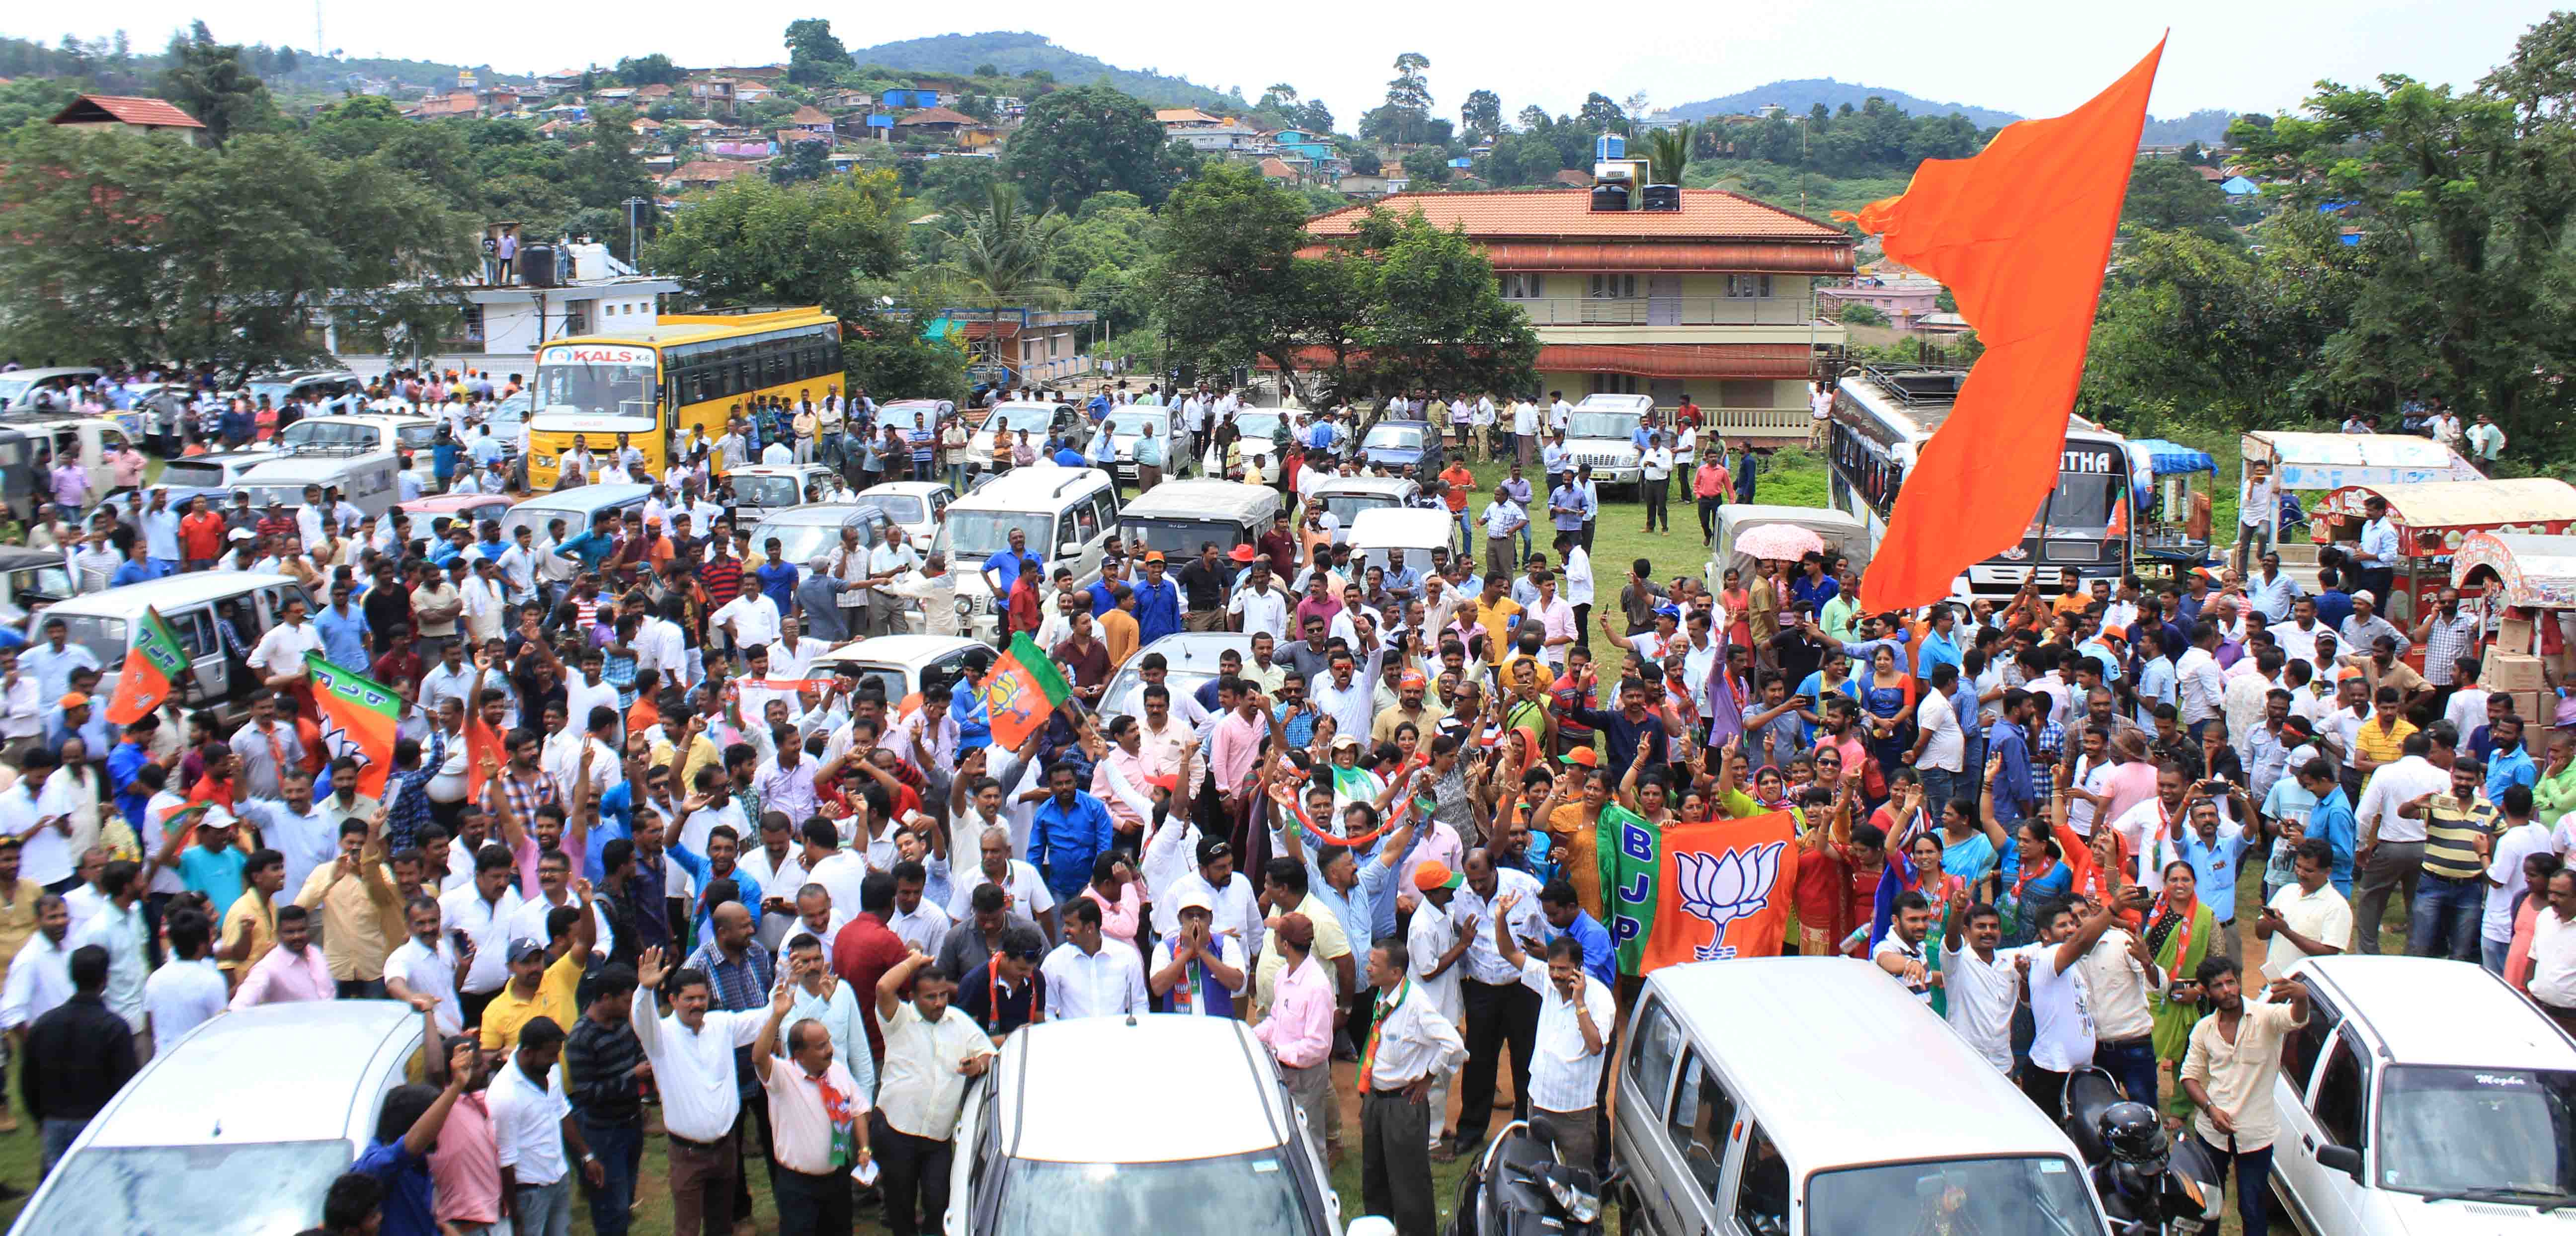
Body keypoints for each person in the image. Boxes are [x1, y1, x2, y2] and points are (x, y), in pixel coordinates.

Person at [629, 945, 771, 1236]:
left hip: (726, 1149)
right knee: (688, 1229)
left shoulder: (722, 1025)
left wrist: (785, 989)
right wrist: (644, 991)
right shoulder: (661, 1037)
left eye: (701, 998)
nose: (697, 1004)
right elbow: (643, 1022)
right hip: (688, 1154)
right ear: (673, 1000)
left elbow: (761, 1019)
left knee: (721, 1226)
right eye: (689, 999)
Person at [2177, 956, 2311, 1236]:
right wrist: (2210, 1109)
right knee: (2208, 1205)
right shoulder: (2204, 1029)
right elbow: (2189, 1077)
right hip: (2211, 1133)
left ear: (2239, 982)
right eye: (2218, 986)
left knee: (2252, 1207)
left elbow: (2296, 1019)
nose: (2227, 990)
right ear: (2207, 990)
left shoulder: (2266, 1017)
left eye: (2231, 982)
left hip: (2255, 1135)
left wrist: (2301, 998)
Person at [872, 949, 996, 1236]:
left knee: (939, 1203)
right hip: (896, 1130)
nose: (939, 1002)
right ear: (914, 997)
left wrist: (977, 1065)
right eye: (931, 997)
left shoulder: (958, 1020)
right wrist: (913, 962)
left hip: (938, 1135)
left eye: (943, 995)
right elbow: (883, 987)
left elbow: (989, 1053)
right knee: (900, 1206)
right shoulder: (898, 1018)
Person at [1490, 889, 1613, 1172]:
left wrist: (1580, 1003)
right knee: (1539, 1171)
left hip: (1575, 1112)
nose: (1556, 975)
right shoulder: (1546, 981)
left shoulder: (1600, 998)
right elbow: (1509, 951)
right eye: (1553, 968)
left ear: (1579, 968)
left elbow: (1596, 1047)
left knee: (1577, 1178)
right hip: (1540, 1101)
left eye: (1563, 969)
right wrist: (1500, 918)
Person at [1358, 939, 1466, 1236]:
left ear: (1395, 973)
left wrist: (1430, 1076)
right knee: (1374, 1178)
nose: (1368, 968)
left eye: (1375, 965)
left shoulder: (1416, 1004)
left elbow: (1454, 1045)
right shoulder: (1382, 996)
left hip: (1403, 1106)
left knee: (1409, 1186)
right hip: (1376, 1101)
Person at [754, 965, 872, 1236]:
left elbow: (858, 1110)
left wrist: (864, 1149)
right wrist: (777, 1016)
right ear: (798, 1054)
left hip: (837, 1178)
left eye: (828, 1042)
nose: (830, 1050)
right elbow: (759, 1057)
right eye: (820, 1047)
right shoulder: (783, 1075)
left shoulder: (839, 1072)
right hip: (798, 1186)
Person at [21, 943, 135, 1173]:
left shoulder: (43, 1025)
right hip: (97, 1125)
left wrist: (41, 1118)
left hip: (54, 1123)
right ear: (105, 979)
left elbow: (28, 1080)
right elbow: (126, 1086)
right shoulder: (114, 1028)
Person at [488, 1015, 604, 1236]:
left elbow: (562, 1111)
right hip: (529, 1192)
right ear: (528, 1053)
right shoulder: (504, 1095)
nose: (555, 1060)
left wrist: (587, 1156)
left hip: (559, 1177)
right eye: (550, 1055)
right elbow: (506, 1161)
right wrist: (515, 1216)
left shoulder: (550, 1070)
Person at [1251, 912, 1334, 1156]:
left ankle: (1319, 1192)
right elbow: (1276, 1019)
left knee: (1311, 1144)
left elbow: (1318, 1046)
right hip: (1284, 1071)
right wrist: (1253, 1036)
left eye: (1277, 935)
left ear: (1286, 945)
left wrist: (1278, 1052)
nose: (1273, 939)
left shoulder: (1317, 986)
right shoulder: (1283, 976)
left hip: (1307, 1077)